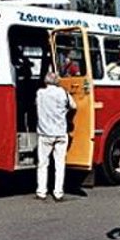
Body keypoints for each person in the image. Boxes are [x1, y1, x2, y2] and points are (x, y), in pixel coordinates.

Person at [35, 71, 76, 201]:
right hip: (61, 132)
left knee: (43, 163)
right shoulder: (63, 93)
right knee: (59, 164)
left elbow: (36, 106)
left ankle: (41, 191)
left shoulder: (40, 93)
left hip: (45, 133)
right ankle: (58, 192)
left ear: (46, 81)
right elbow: (74, 106)